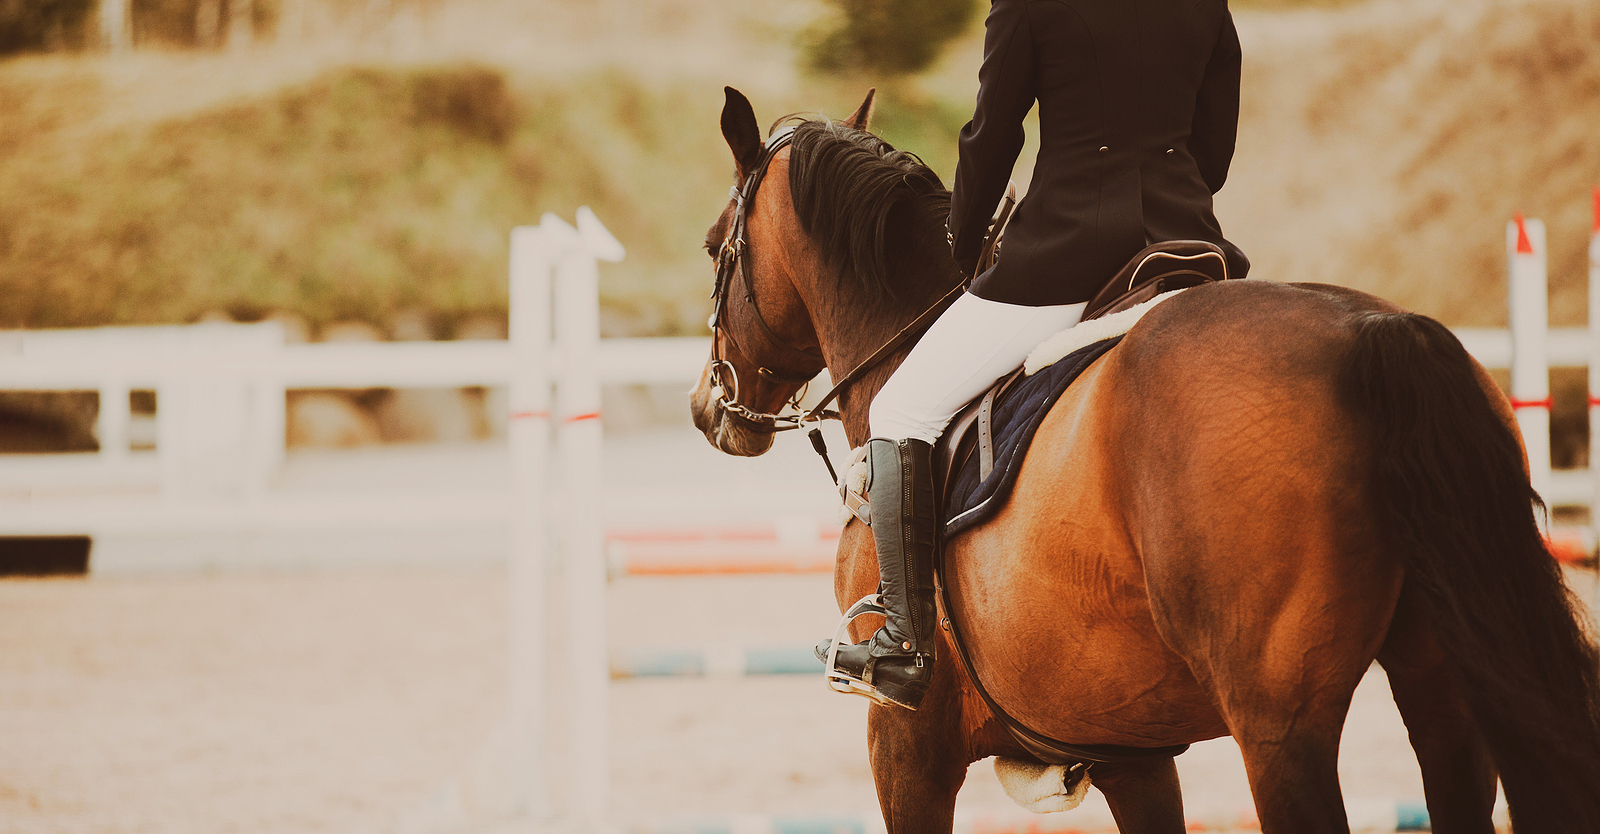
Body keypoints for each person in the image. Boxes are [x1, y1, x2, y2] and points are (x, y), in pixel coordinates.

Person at [821, 0, 1252, 710]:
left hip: (1066, 255)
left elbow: (993, 135)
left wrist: (964, 244)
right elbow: (1215, 148)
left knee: (901, 410)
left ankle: (902, 643)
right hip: (1183, 248)